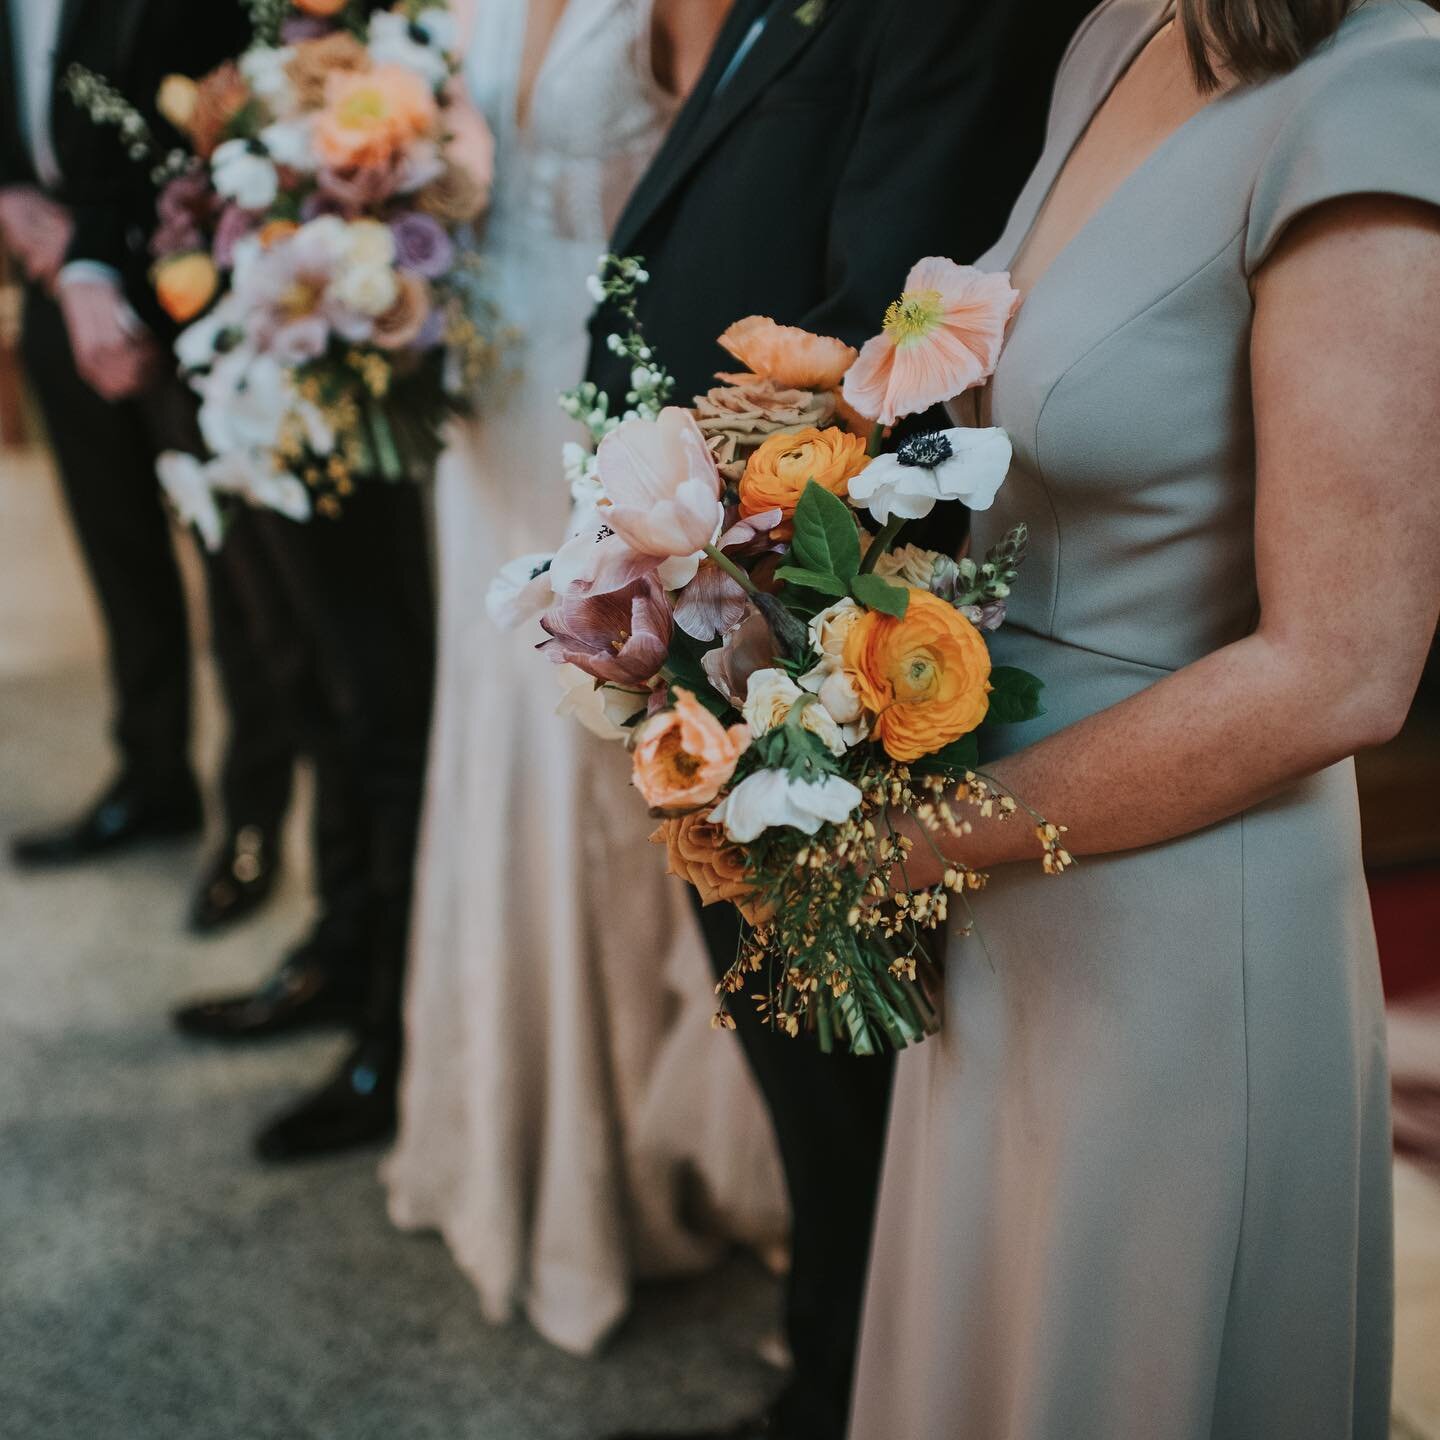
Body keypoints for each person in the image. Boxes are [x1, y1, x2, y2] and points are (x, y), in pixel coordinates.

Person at [848, 1, 1440, 1436]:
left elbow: (1341, 670)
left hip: (1179, 920)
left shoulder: (1378, 97)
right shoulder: (1120, 30)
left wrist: (925, 844)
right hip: (1012, 872)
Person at [583, 1, 1094, 1436]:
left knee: (844, 1071)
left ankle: (852, 1396)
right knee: (791, 1052)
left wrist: (757, 616)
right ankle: (832, 1371)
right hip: (702, 590)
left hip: (809, 609)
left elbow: (886, 325)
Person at [383, 0, 787, 1358]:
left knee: (585, 751)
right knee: (493, 726)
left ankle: (633, 1167)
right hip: (487, 394)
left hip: (603, 387)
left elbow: (734, 166)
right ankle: (501, 1133)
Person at [0, 0, 295, 934]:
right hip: (48, 284)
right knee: (116, 548)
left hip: (189, 279)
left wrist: (97, 240)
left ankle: (254, 821)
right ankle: (152, 770)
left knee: (239, 576)